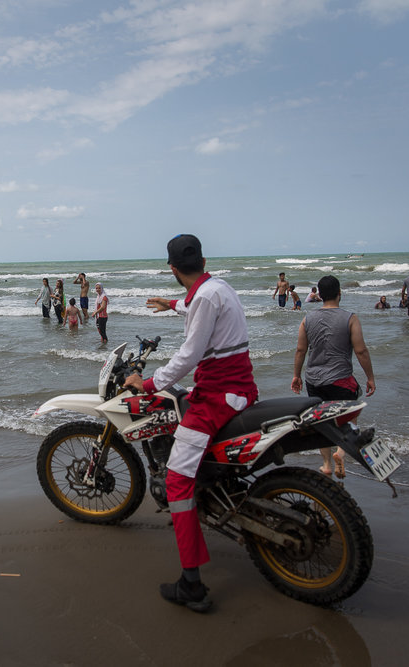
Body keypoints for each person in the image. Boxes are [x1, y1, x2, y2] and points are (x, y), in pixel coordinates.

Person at [123, 234, 258, 613]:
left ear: (172, 268)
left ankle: (192, 585)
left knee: (177, 480)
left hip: (216, 399)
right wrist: (172, 305)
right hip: (242, 390)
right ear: (202, 260)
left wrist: (146, 383)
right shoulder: (217, 287)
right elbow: (198, 309)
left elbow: (188, 355)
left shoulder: (202, 297)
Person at [291, 275, 376, 478]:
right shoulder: (350, 318)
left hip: (313, 380)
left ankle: (327, 464)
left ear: (319, 295)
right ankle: (340, 452)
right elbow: (361, 351)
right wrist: (370, 377)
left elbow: (300, 350)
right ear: (340, 294)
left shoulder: (307, 319)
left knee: (322, 422)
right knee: (351, 415)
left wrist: (296, 375)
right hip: (340, 380)